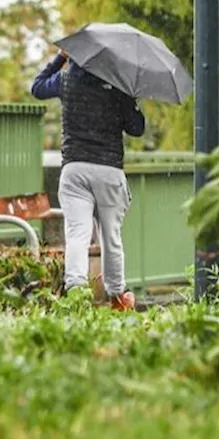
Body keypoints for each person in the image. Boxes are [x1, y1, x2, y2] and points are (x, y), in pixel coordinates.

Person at [31, 49, 146, 311]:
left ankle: (75, 292)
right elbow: (137, 128)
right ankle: (117, 296)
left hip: (75, 168)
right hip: (109, 170)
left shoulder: (67, 79)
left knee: (77, 234)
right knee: (111, 236)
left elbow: (37, 87)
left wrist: (60, 58)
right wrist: (132, 98)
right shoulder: (119, 85)